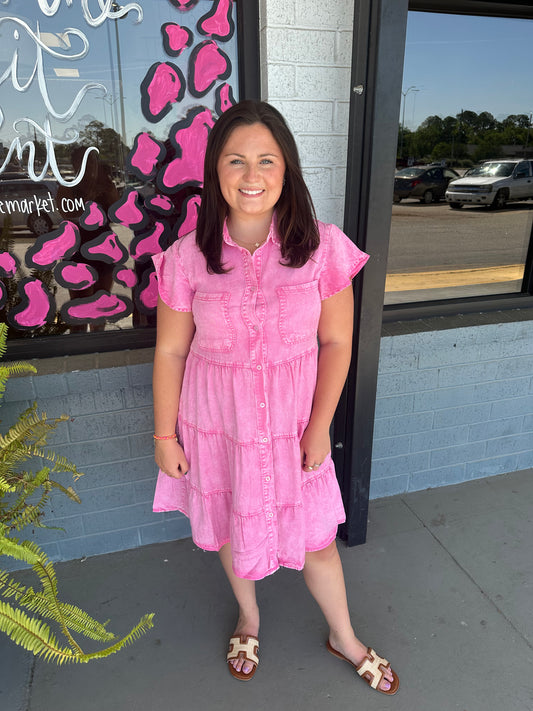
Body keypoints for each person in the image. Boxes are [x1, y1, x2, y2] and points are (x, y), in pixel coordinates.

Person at [151, 100, 399, 695]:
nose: (251, 175)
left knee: (317, 542)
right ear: (215, 172)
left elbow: (338, 341)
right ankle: (250, 617)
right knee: (232, 527)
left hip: (294, 426)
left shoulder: (321, 247)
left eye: (267, 160)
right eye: (236, 160)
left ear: (287, 171)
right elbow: (170, 352)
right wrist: (163, 435)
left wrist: (321, 426)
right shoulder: (188, 257)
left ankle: (344, 635)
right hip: (219, 422)